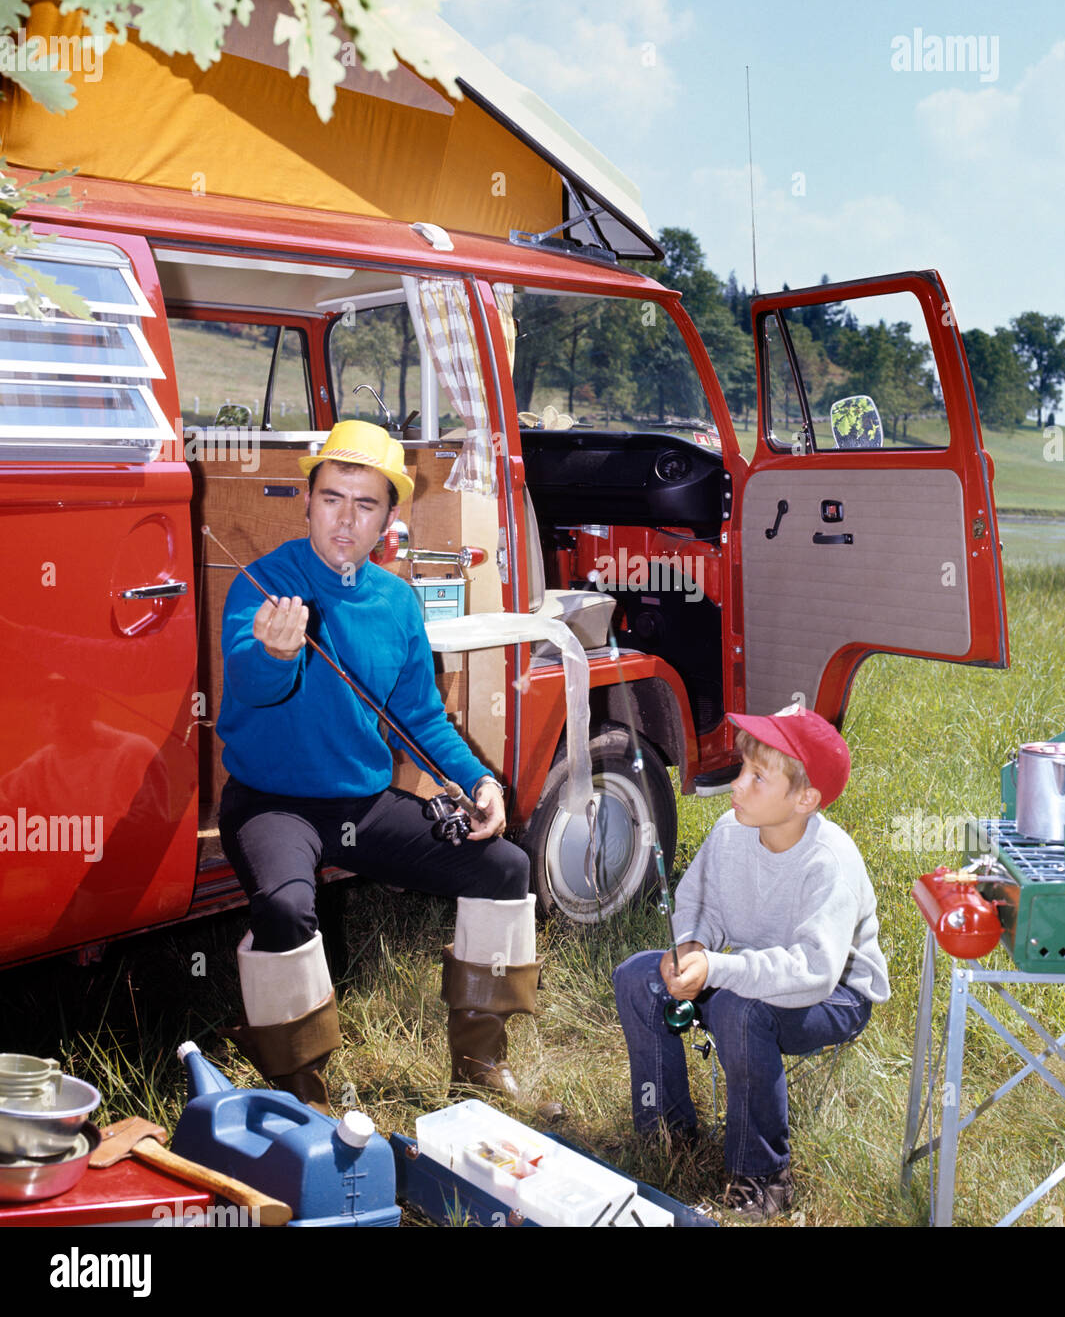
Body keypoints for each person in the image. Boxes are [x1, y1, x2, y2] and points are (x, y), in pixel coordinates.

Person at [216, 420, 539, 1109]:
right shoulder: (264, 582)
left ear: (390, 518)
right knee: (284, 904)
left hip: (361, 806)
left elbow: (419, 718)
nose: (345, 519)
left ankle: (480, 1063)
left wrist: (478, 780)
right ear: (307, 501)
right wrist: (275, 653)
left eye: (366, 505)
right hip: (272, 803)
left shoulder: (396, 601)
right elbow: (248, 683)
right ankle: (300, 1090)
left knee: (505, 868)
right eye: (333, 498)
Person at [612, 705, 890, 1219]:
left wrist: (717, 970)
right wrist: (690, 948)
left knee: (741, 1012)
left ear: (805, 799)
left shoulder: (830, 863)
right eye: (743, 769)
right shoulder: (729, 832)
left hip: (833, 994)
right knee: (636, 978)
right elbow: (700, 906)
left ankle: (763, 1177)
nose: (738, 785)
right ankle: (667, 1132)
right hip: (748, 973)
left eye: (758, 778)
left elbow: (813, 971)